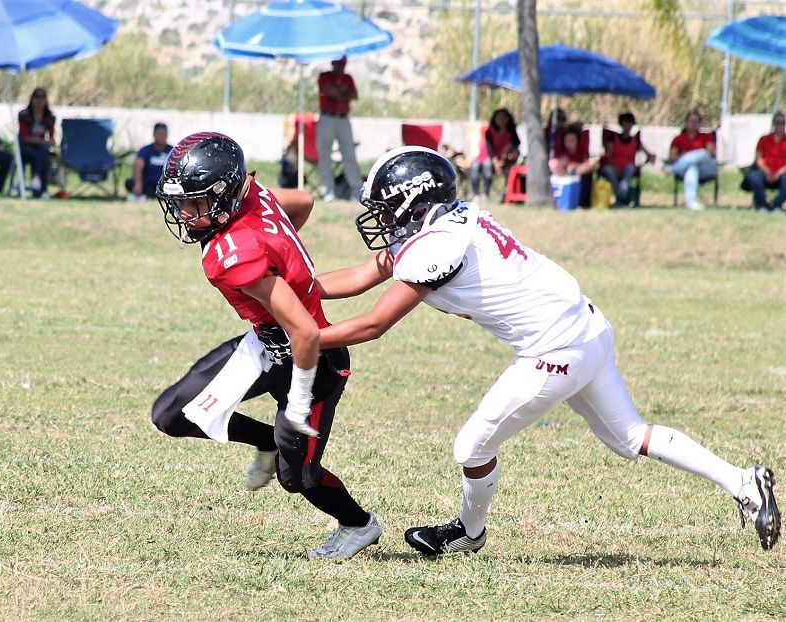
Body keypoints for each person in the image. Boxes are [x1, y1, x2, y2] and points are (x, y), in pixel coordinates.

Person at [314, 146, 780, 555]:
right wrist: (294, 290)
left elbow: (374, 323)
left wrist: (309, 337)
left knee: (471, 446)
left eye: (390, 207)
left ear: (418, 202)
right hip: (588, 329)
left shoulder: (437, 244)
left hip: (555, 349)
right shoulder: (451, 220)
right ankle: (743, 481)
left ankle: (469, 533)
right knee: (630, 436)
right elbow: (361, 275)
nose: (384, 218)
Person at [151, 132, 381, 559]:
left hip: (313, 361)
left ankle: (358, 524)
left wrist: (296, 404)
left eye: (195, 202)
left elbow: (306, 335)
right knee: (170, 415)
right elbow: (302, 202)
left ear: (225, 194)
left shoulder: (231, 255)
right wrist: (279, 253)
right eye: (181, 202)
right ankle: (268, 441)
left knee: (300, 480)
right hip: (265, 344)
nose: (184, 213)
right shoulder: (250, 194)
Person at [316, 56, 362, 202]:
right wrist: (342, 93)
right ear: (333, 63)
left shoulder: (348, 78)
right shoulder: (325, 76)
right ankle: (328, 190)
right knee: (325, 155)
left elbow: (354, 95)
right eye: (339, 63)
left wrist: (340, 93)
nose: (341, 67)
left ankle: (356, 190)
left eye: (343, 64)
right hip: (327, 118)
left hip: (343, 118)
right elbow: (329, 91)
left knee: (349, 155)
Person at [600, 112, 656, 207]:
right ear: (621, 124)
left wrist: (651, 157)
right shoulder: (613, 138)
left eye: (629, 123)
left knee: (630, 169)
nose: (627, 126)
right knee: (609, 170)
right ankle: (623, 199)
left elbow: (648, 154)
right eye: (625, 123)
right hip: (613, 167)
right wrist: (615, 167)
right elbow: (608, 155)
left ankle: (620, 199)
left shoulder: (635, 140)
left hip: (628, 168)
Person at [666, 111, 717, 211]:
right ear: (686, 122)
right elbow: (672, 157)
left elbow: (709, 153)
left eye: (696, 121)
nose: (693, 124)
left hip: (706, 168)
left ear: (700, 123)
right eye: (691, 121)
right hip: (686, 169)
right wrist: (686, 157)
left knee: (701, 153)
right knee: (692, 168)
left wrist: (686, 155)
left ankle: (672, 169)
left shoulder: (707, 136)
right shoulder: (678, 139)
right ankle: (691, 203)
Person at [468, 108, 520, 203]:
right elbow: (490, 151)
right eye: (499, 118)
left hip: (504, 161)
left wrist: (507, 159)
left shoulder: (511, 133)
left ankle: (490, 194)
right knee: (476, 166)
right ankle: (477, 194)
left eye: (504, 118)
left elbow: (515, 147)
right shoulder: (490, 132)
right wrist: (496, 163)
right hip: (486, 157)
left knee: (493, 167)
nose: (502, 120)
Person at [18, 87, 56, 199]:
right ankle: (41, 188)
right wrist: (42, 141)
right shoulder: (24, 115)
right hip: (25, 148)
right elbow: (25, 137)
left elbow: (52, 138)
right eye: (37, 96)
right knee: (42, 154)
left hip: (40, 148)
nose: (40, 100)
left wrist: (46, 142)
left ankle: (37, 183)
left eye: (43, 97)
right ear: (32, 99)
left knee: (43, 153)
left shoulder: (49, 117)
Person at [744, 111, 786, 213]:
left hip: (782, 173)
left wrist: (778, 173)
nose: (780, 125)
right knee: (754, 176)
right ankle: (762, 205)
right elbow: (759, 159)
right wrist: (768, 172)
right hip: (765, 171)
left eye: (783, 122)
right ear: (773, 123)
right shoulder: (764, 139)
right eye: (777, 122)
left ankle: (777, 205)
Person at [550, 127, 597, 207]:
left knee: (592, 163)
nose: (570, 143)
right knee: (553, 163)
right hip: (564, 175)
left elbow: (589, 163)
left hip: (579, 173)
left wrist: (575, 167)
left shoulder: (581, 152)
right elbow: (556, 163)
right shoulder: (561, 152)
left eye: (572, 140)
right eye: (567, 141)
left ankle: (574, 174)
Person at [127, 122, 173, 202]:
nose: (161, 136)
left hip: (165, 184)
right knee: (129, 183)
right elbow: (138, 165)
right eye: (159, 133)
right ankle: (147, 195)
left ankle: (155, 196)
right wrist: (138, 183)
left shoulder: (172, 150)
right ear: (154, 134)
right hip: (148, 182)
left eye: (164, 133)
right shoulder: (145, 150)